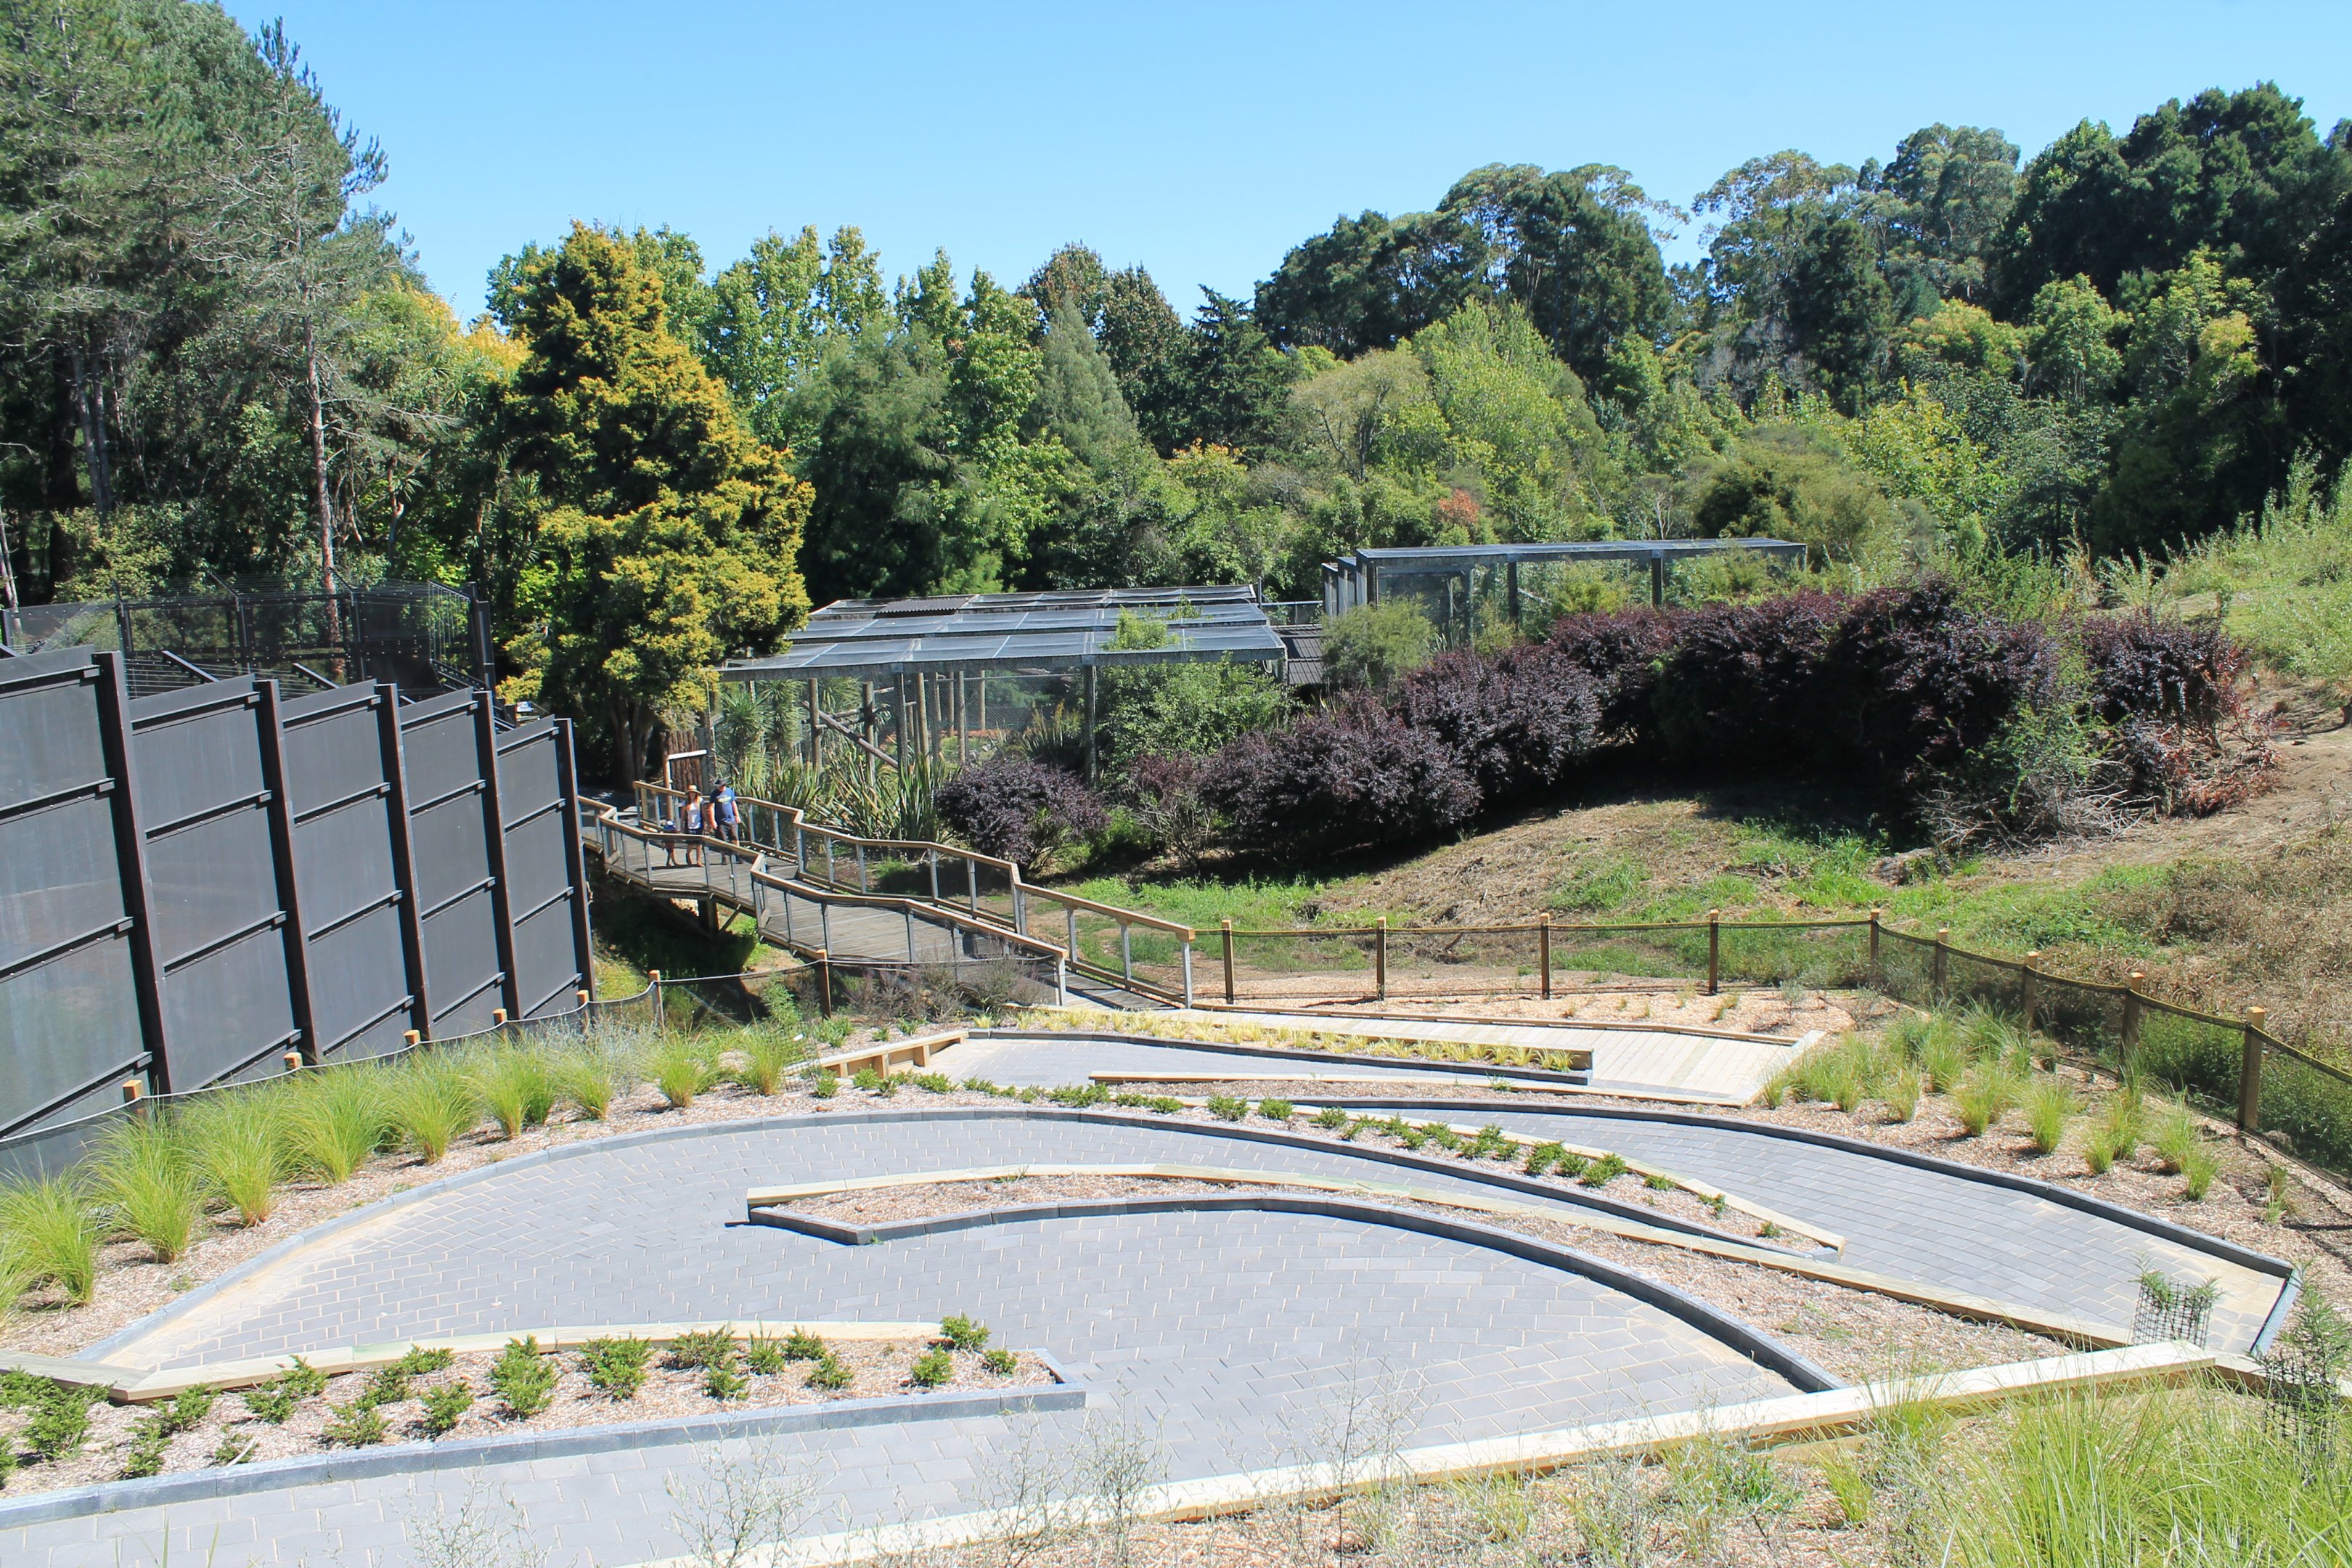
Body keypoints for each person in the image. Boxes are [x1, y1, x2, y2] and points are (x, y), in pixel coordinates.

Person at [681, 786, 706, 866]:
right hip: (689, 825)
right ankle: (688, 854)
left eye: (694, 793)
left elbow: (704, 813)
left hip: (699, 824)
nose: (692, 794)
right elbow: (683, 815)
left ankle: (699, 861)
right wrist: (681, 826)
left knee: (699, 844)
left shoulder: (700, 801)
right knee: (690, 844)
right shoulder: (685, 803)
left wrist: (707, 823)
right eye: (691, 793)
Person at [713, 778, 740, 844]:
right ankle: (725, 854)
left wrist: (737, 816)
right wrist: (713, 821)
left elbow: (733, 804)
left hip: (732, 820)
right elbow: (711, 807)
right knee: (723, 840)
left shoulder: (729, 791)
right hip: (721, 821)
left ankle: (736, 853)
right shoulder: (714, 794)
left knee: (735, 838)